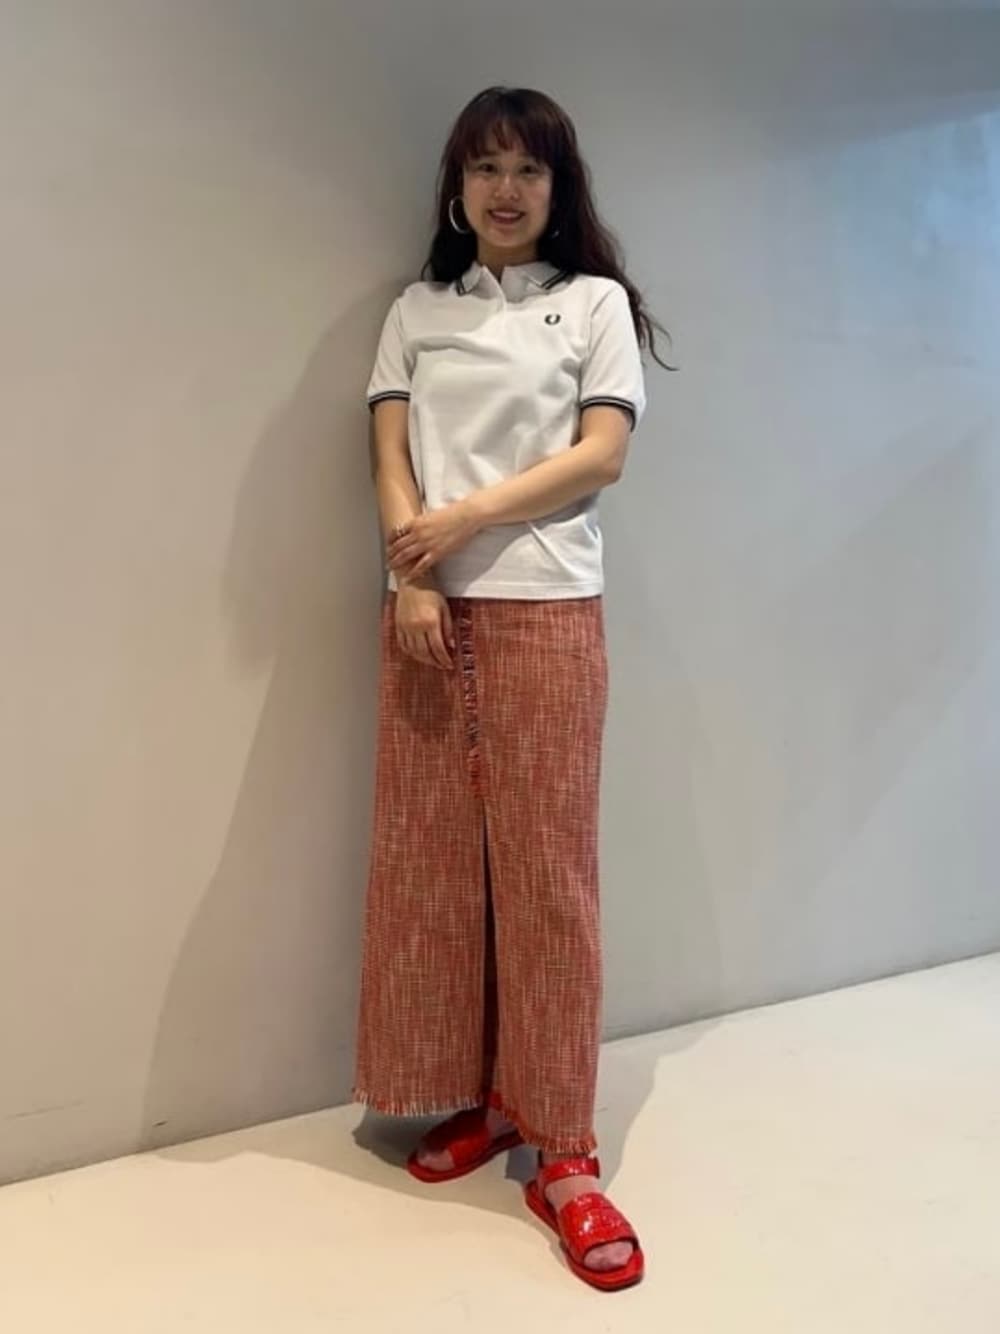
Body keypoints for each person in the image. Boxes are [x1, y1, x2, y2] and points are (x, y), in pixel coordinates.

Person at [353, 85, 669, 1293]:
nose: (504, 189)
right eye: (484, 167)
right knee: (434, 863)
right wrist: (412, 575)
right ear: (456, 186)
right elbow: (389, 454)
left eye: (527, 169)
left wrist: (460, 522)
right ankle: (487, 1095)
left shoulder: (592, 304)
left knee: (546, 879)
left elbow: (602, 454)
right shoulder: (415, 310)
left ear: (557, 187)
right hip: (425, 611)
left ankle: (566, 1148)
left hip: (547, 608)